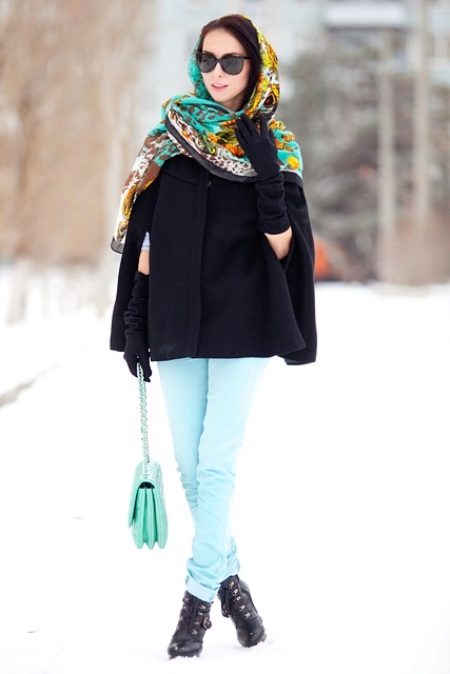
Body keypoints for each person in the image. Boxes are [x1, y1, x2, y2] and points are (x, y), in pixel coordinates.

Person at [109, 13, 317, 659]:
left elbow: (286, 251)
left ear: (256, 66)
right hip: (175, 317)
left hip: (244, 321)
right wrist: (135, 321)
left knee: (217, 462)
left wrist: (266, 178)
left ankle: (196, 603)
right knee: (189, 465)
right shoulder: (168, 139)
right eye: (208, 59)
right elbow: (143, 244)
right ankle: (233, 586)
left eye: (231, 61)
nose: (217, 72)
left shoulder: (275, 144)